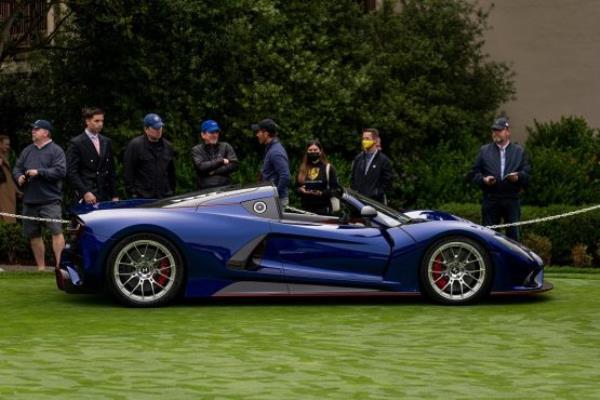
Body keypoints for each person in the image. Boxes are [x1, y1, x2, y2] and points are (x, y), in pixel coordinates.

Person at [12, 120, 66, 270]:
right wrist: (19, 176)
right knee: (33, 235)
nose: (33, 131)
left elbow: (60, 171)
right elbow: (17, 168)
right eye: (33, 129)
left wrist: (39, 172)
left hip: (50, 200)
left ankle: (59, 267)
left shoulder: (56, 150)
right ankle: (41, 268)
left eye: (37, 129)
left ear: (46, 133)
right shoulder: (27, 150)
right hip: (30, 200)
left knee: (56, 231)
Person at [469, 116, 531, 241]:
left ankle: (512, 255)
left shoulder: (519, 151)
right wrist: (484, 180)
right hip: (491, 199)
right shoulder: (484, 151)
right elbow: (474, 174)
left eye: (499, 130)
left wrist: (517, 177)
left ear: (507, 132)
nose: (495, 133)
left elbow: (527, 175)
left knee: (513, 237)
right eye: (494, 130)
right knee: (489, 237)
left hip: (512, 199)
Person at [66, 107, 118, 204]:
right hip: (87, 194)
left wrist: (114, 195)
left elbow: (111, 170)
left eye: (102, 121)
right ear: (87, 121)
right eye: (96, 121)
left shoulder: (106, 141)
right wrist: (85, 192)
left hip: (105, 194)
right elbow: (72, 172)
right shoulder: (76, 143)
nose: (100, 124)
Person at [123, 113, 176, 199]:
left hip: (164, 196)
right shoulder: (135, 145)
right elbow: (128, 172)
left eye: (160, 127)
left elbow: (171, 173)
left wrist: (171, 192)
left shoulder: (167, 146)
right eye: (155, 128)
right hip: (143, 197)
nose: (159, 130)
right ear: (146, 129)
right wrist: (133, 194)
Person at [252, 118, 290, 207]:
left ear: (266, 133)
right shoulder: (271, 148)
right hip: (272, 199)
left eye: (259, 132)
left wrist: (274, 195)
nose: (257, 135)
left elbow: (285, 175)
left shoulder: (275, 151)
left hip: (277, 201)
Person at [191, 119, 239, 190]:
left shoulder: (225, 146)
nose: (215, 135)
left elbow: (234, 165)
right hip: (205, 190)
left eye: (216, 132)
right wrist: (221, 161)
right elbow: (201, 167)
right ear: (203, 135)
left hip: (226, 188)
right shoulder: (196, 149)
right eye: (211, 132)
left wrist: (214, 171)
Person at [350, 128, 393, 204]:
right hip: (358, 201)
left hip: (375, 203)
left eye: (367, 139)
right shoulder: (358, 158)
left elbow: (388, 181)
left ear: (375, 140)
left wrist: (377, 192)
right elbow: (353, 178)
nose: (364, 141)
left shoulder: (383, 160)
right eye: (363, 139)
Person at [296, 139, 339, 215]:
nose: (313, 152)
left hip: (323, 210)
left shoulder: (328, 168)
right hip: (305, 210)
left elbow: (335, 189)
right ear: (307, 152)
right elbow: (296, 188)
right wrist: (300, 190)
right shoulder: (302, 168)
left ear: (320, 151)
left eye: (315, 150)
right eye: (310, 150)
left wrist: (321, 193)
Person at [0, 134, 20, 223]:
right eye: (6, 144)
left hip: (8, 191)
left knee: (8, 216)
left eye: (8, 145)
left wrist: (16, 190)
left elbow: (8, 176)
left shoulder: (6, 156)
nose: (8, 147)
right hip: (2, 191)